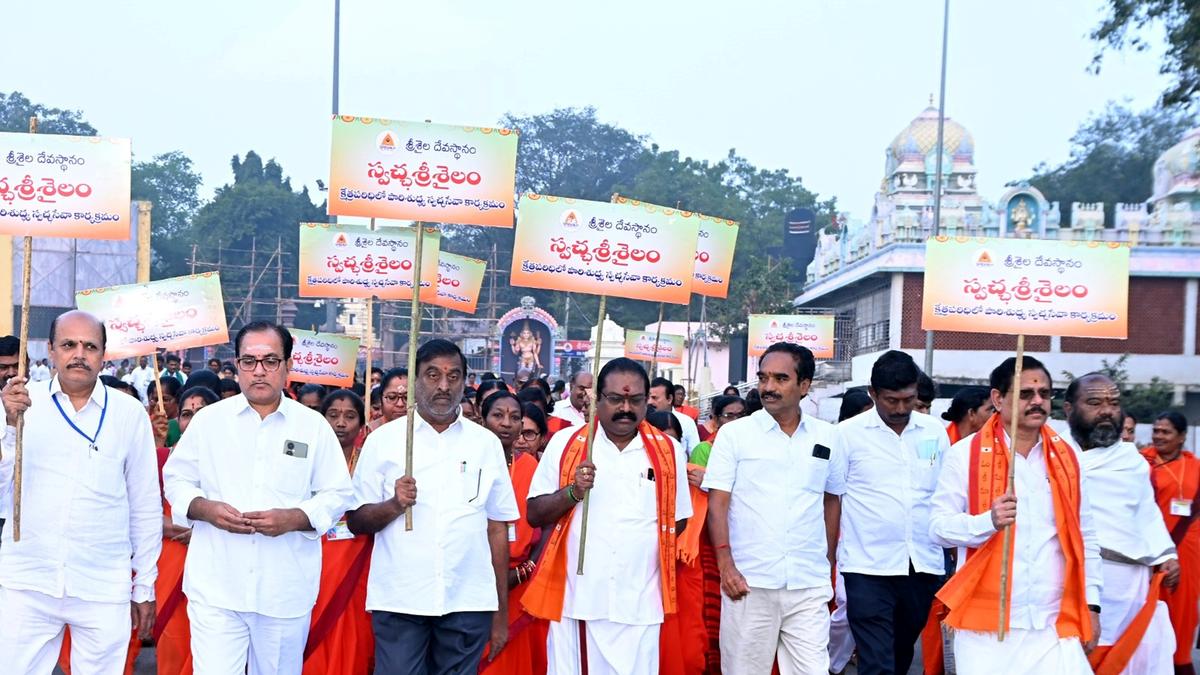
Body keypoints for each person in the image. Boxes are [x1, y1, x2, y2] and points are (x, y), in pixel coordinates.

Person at [163, 321, 355, 674]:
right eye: (249, 361)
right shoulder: (209, 422)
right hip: (216, 587)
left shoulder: (312, 426)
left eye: (270, 360)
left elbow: (337, 493)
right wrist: (204, 509)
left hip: (284, 589)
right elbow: (176, 478)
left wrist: (294, 518)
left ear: (288, 366)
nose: (260, 371)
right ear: (237, 366)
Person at [0, 310, 160, 672]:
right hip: (28, 579)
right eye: (69, 344)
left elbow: (145, 505)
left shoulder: (128, 413)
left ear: (103, 355)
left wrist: (145, 584)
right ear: (51, 351)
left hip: (102, 583)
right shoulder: (20, 404)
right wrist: (9, 427)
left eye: (90, 346)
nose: (79, 354)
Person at [347, 339, 518, 674]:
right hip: (401, 598)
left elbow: (497, 528)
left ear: (465, 382)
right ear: (414, 380)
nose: (443, 386)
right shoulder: (383, 441)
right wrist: (395, 505)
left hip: (468, 597)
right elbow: (356, 520)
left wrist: (500, 612)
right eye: (432, 375)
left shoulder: (485, 444)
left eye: (453, 376)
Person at [930, 356, 1101, 674]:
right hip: (986, 629)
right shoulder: (964, 454)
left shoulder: (1068, 456)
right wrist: (987, 521)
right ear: (998, 398)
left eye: (1045, 394)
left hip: (1052, 622)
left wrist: (1092, 604)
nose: (1037, 402)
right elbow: (938, 527)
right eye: (1025, 394)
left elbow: (1086, 535)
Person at [524, 357, 691, 673]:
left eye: (635, 400)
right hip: (581, 601)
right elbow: (534, 513)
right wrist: (572, 493)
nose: (625, 408)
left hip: (641, 603)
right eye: (616, 399)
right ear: (597, 399)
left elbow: (677, 519)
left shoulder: (668, 451)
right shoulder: (567, 445)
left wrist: (636, 550)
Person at [703, 343, 844, 674]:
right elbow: (717, 503)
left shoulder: (827, 436)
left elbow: (831, 499)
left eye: (781, 378)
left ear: (805, 385)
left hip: (808, 583)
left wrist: (827, 563)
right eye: (763, 378)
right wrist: (726, 566)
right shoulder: (735, 435)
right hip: (750, 582)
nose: (768, 387)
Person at [833, 350, 951, 675]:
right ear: (873, 394)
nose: (901, 409)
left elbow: (945, 493)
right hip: (866, 568)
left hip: (922, 566)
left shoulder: (933, 432)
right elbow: (831, 499)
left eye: (908, 399)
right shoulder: (847, 435)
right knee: (876, 663)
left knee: (899, 657)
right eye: (891, 400)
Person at [1065, 374, 1178, 675]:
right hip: (1070, 579)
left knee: (1125, 655)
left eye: (1114, 403)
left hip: (1128, 584)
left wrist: (1167, 554)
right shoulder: (1054, 457)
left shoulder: (1133, 462)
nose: (1107, 410)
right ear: (1068, 409)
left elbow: (1147, 511)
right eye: (1094, 402)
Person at [478, 391, 550, 674]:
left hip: (519, 582)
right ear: (482, 420)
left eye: (515, 417)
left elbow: (545, 523)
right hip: (474, 582)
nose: (507, 423)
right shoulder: (469, 463)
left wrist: (524, 570)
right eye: (498, 415)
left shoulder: (531, 466)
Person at [303, 389, 373, 675]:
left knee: (353, 645)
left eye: (349, 416)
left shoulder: (370, 463)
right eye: (333, 415)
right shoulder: (307, 461)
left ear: (362, 425)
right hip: (314, 562)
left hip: (357, 567)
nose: (341, 423)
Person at [1142, 410, 1198, 675]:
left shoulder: (1195, 466)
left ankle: (1180, 664)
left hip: (1188, 551)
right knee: (1148, 613)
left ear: (1182, 437)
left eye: (1166, 432)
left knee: (1183, 614)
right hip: (1150, 552)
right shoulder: (1142, 463)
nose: (1158, 436)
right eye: (1156, 431)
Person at [649, 376, 701, 457]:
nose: (650, 402)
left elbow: (695, 455)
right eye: (648, 397)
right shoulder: (643, 422)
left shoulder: (686, 422)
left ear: (669, 399)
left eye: (654, 398)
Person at [368, 367, 407, 432]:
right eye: (392, 397)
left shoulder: (427, 431)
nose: (400, 404)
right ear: (381, 399)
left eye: (407, 398)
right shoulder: (368, 432)